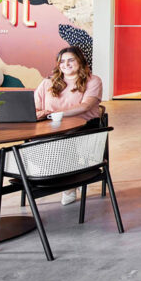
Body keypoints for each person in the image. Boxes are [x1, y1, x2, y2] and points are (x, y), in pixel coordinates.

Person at [33, 46, 104, 204]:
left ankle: (69, 185)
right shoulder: (47, 83)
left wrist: (55, 114)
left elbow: (85, 106)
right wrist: (40, 114)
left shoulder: (93, 81)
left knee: (60, 143)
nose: (66, 64)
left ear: (80, 61)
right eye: (62, 61)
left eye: (71, 60)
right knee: (33, 144)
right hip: (51, 127)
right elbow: (34, 106)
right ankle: (62, 178)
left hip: (83, 128)